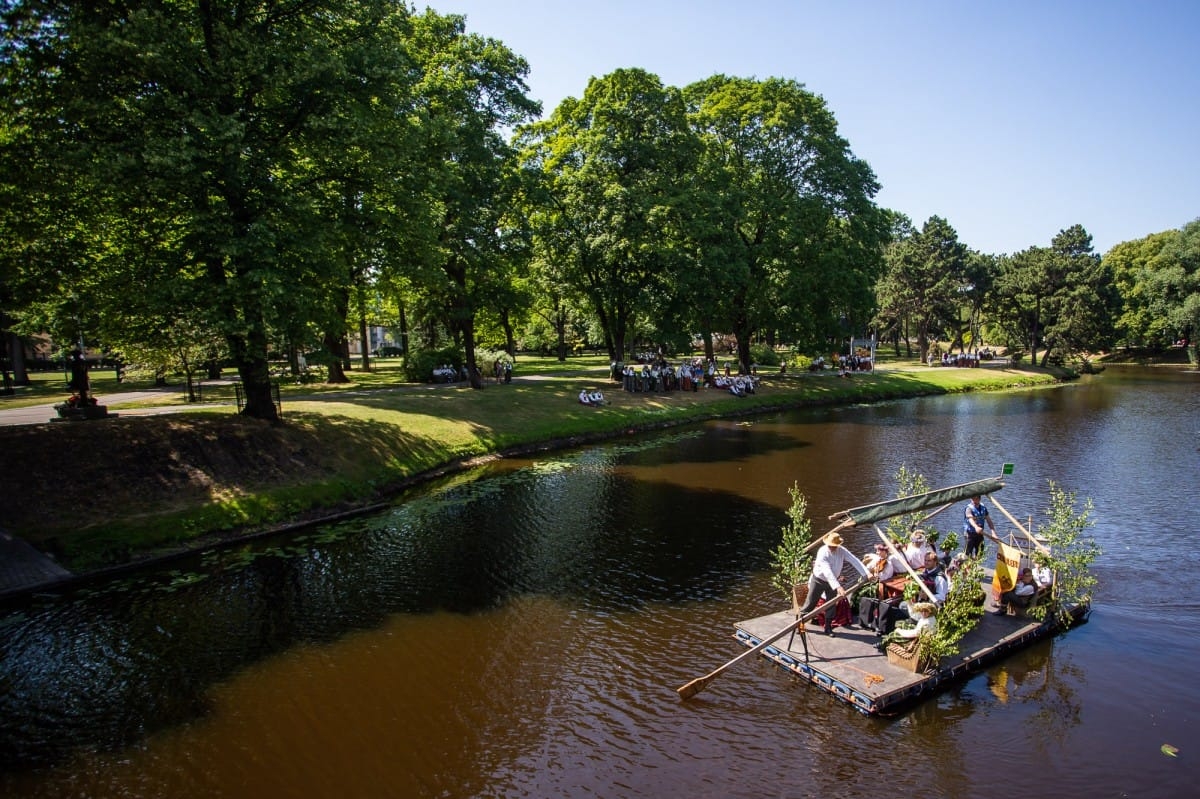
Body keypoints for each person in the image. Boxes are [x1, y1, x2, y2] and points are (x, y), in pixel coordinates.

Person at [798, 531, 870, 636]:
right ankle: (800, 624)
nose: (832, 548)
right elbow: (827, 572)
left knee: (831, 604)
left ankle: (828, 627)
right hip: (819, 580)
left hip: (832, 582)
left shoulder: (842, 551)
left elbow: (854, 560)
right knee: (810, 603)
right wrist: (838, 587)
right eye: (831, 546)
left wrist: (866, 573)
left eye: (834, 546)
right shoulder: (822, 552)